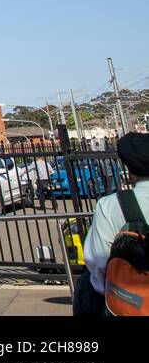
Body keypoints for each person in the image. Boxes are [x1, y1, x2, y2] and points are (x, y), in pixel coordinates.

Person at [76, 132, 149, 316]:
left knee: (85, 284)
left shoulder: (111, 205)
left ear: (130, 170)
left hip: (133, 303)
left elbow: (97, 261)